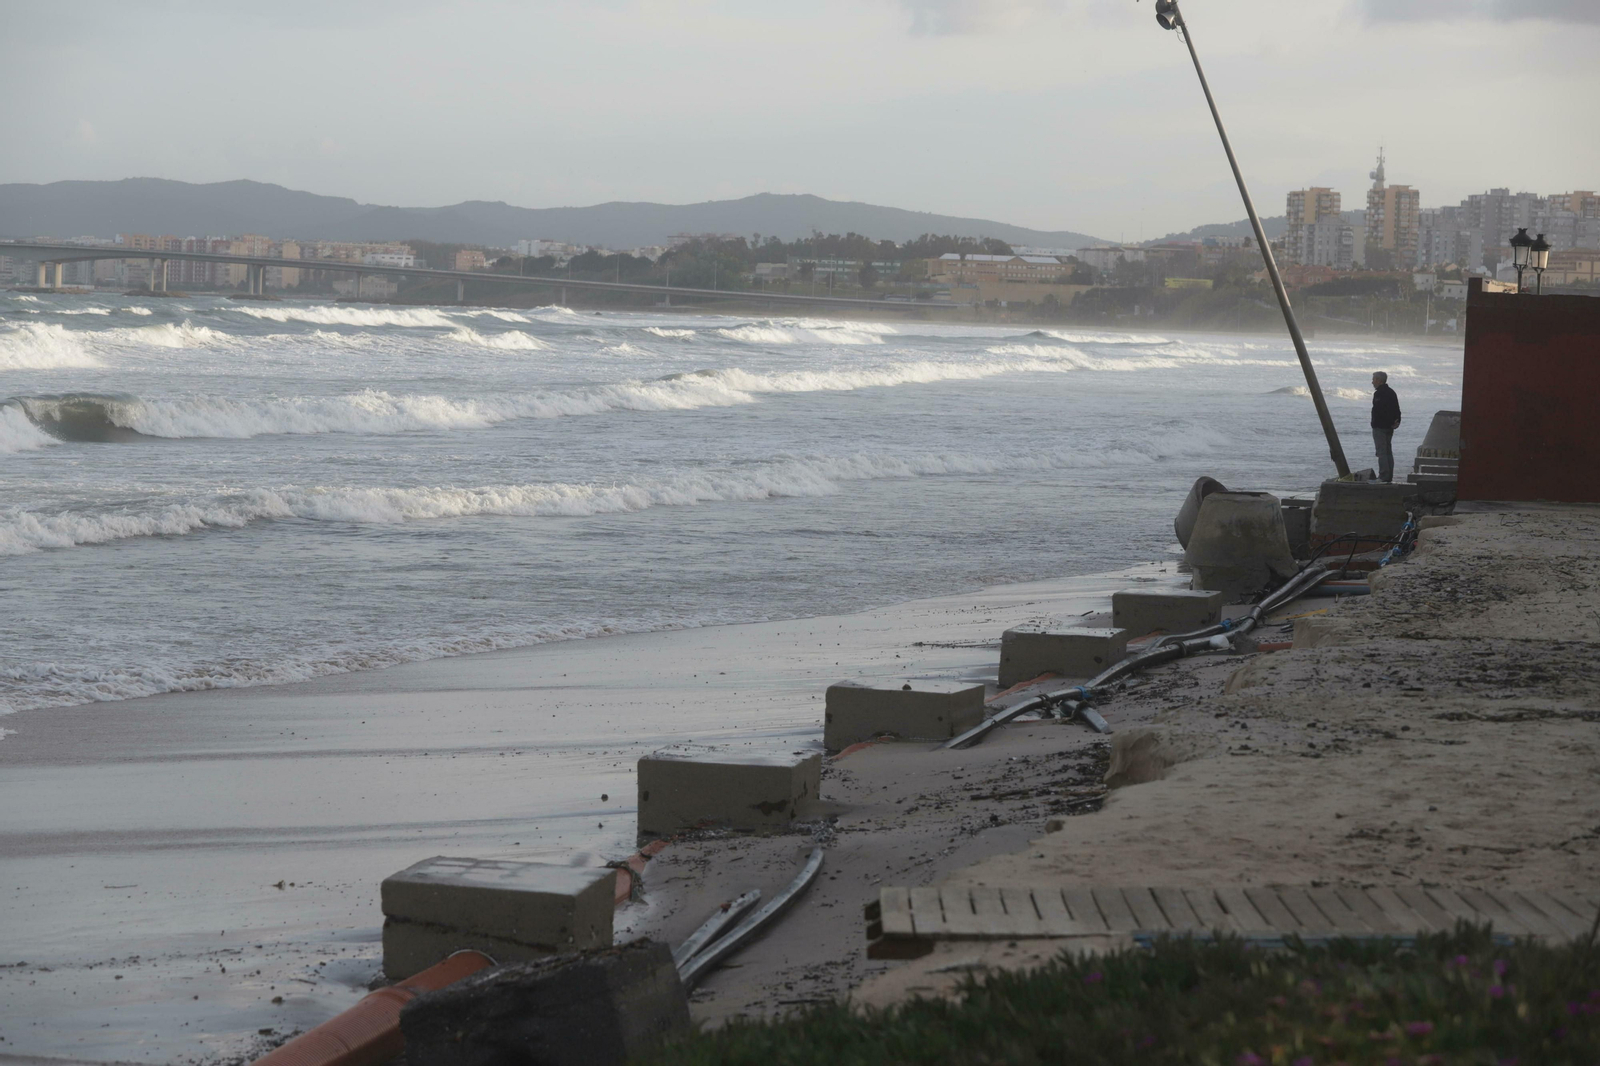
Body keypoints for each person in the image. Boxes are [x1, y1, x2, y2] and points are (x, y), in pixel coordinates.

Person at [1370, 371, 1402, 483]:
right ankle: (1388, 476)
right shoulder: (1391, 392)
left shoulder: (1379, 393)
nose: (1372, 382)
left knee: (1382, 452)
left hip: (1380, 427)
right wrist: (1397, 421)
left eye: (1373, 379)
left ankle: (1383, 476)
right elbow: (1397, 409)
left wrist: (1375, 423)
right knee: (1388, 451)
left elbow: (1379, 411)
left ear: (1379, 380)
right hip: (1389, 427)